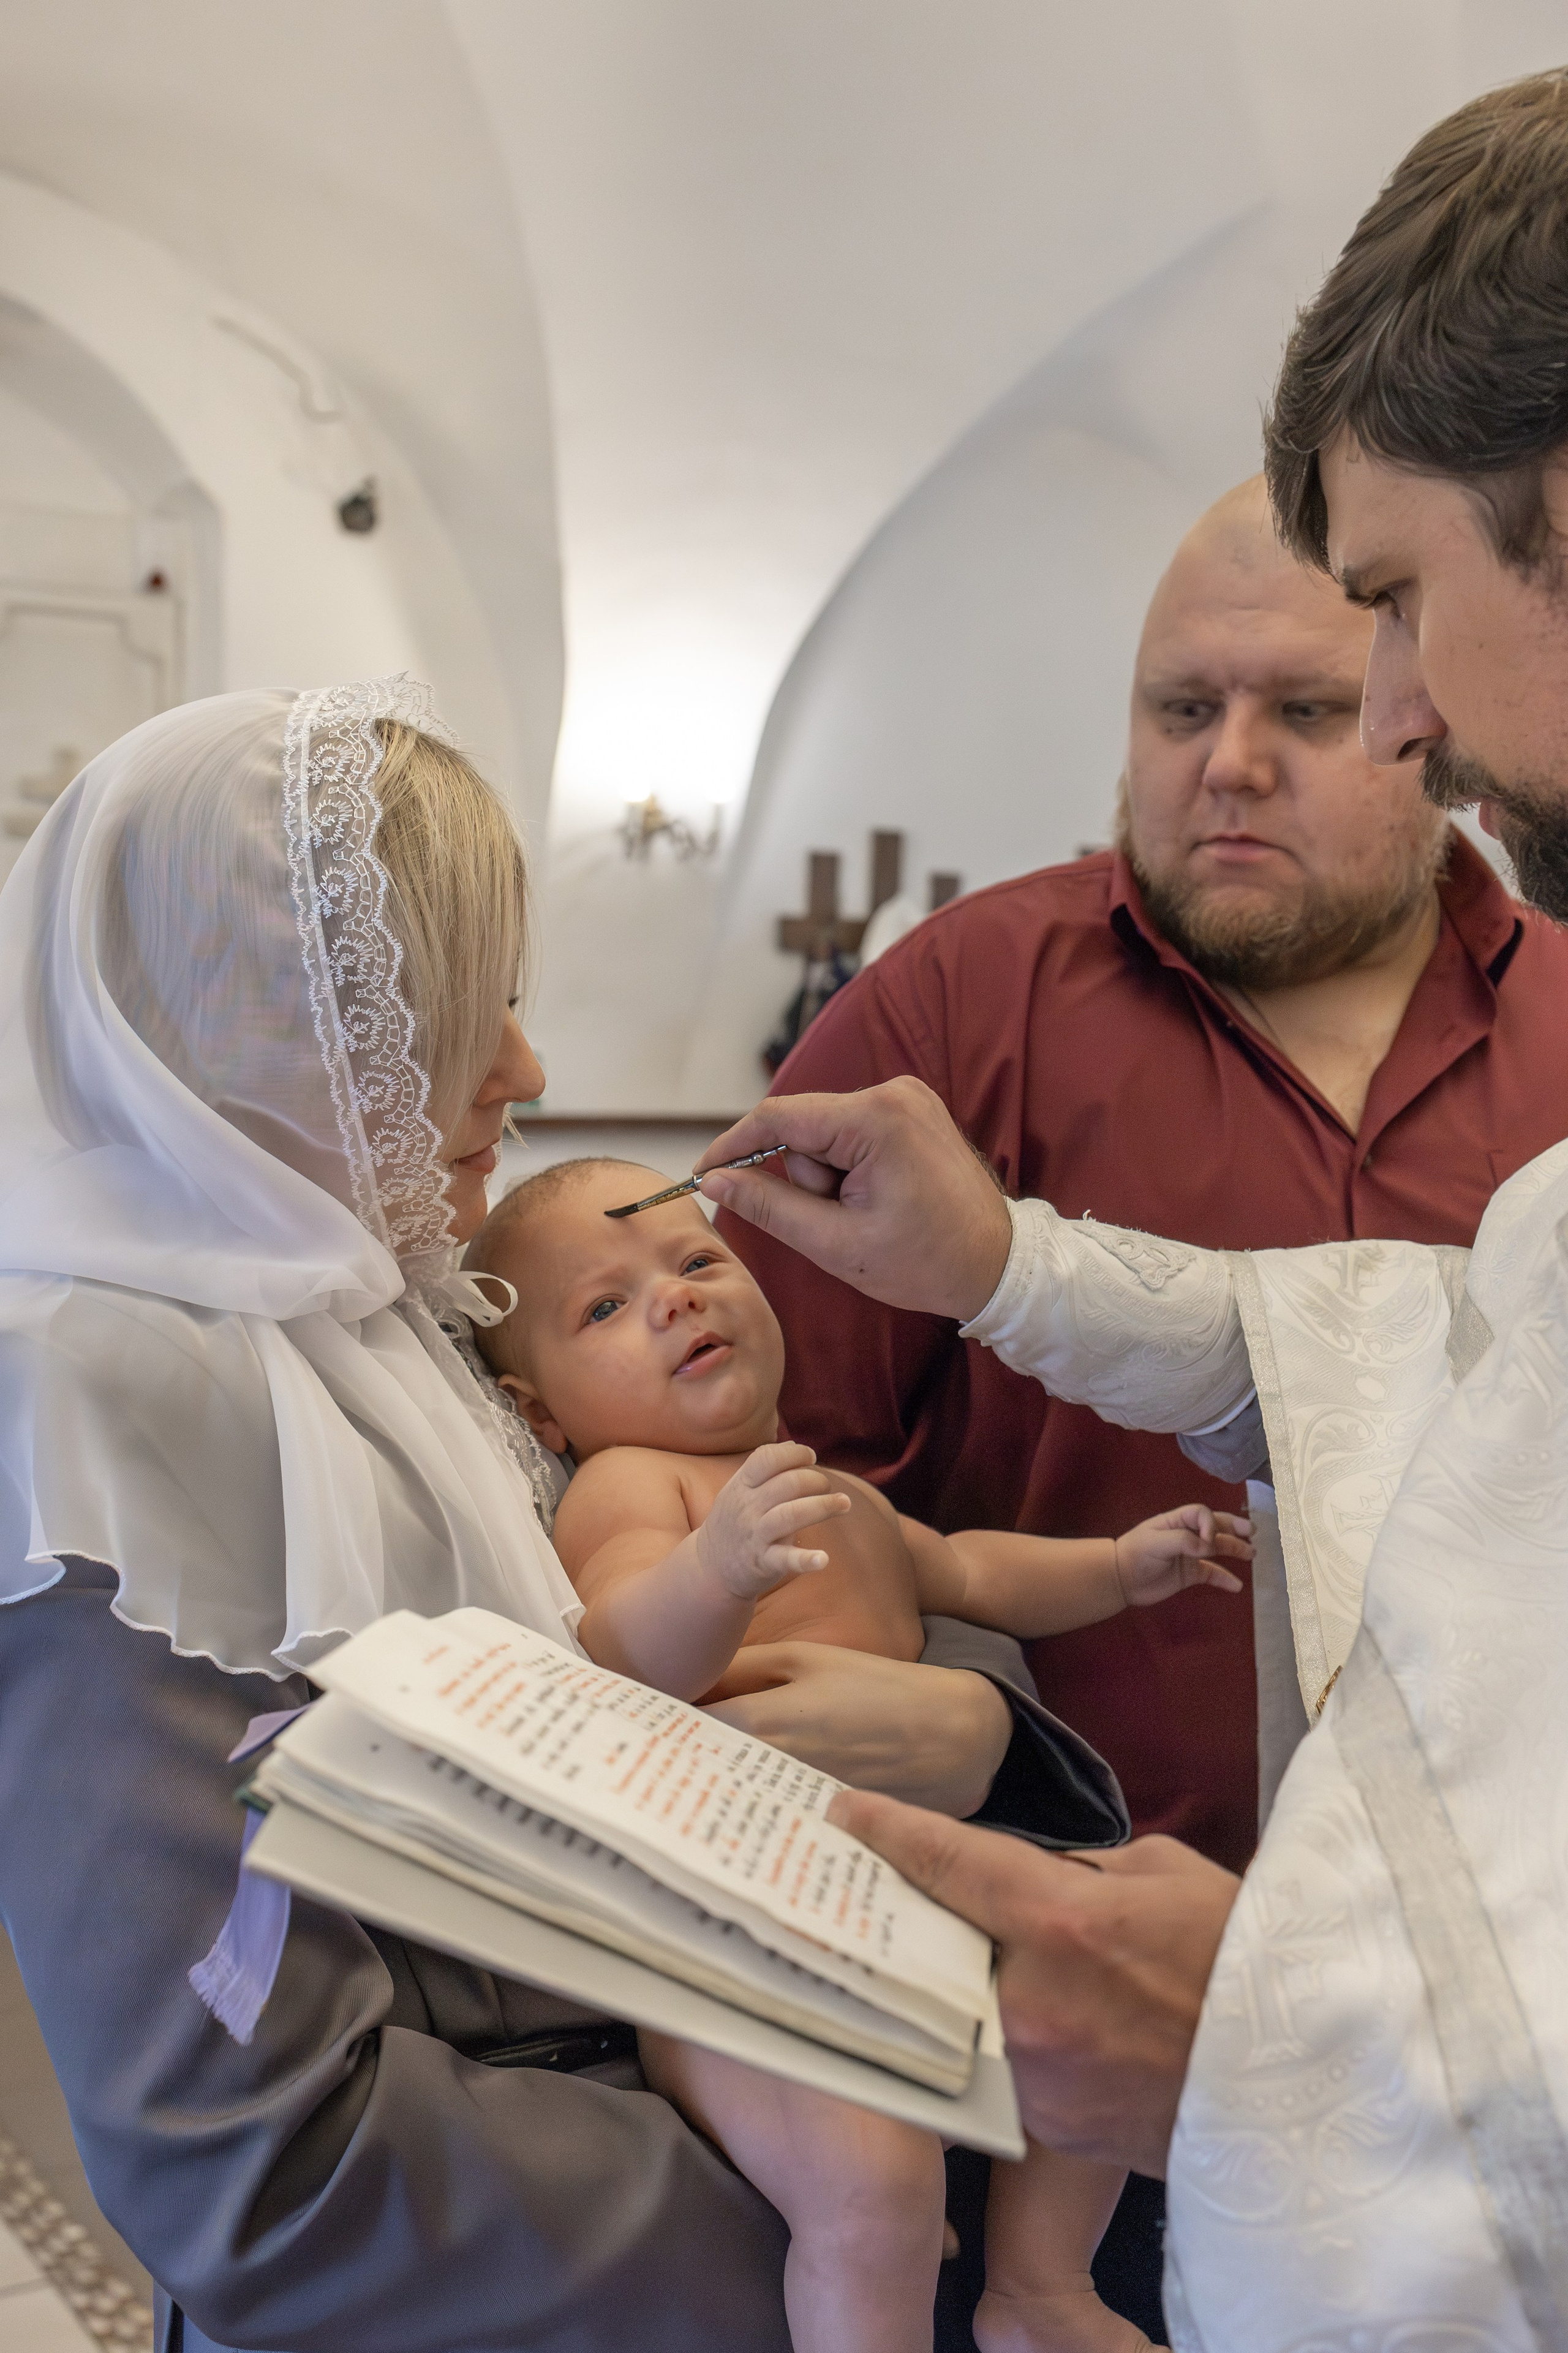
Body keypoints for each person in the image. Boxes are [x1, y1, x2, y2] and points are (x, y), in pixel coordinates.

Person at [695, 67, 1568, 2346]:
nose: (1371, 718)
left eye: (1380, 613)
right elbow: (1438, 1340)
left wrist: (1296, 2044)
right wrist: (993, 1272)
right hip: (1074, 2000)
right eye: (1186, 703)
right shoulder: (965, 997)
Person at [0, 681, 1101, 2353]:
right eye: (449, 1014)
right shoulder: (103, 1408)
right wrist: (857, 2215)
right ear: (265, 1020)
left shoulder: (400, 1313)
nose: (523, 1066)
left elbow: (778, 1539)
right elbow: (273, 2168)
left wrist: (961, 1709)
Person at [722, 472, 1568, 1884]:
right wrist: (979, 1717)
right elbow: (751, 1470)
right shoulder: (946, 1015)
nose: (1227, 762)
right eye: (1180, 709)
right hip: (1038, 1921)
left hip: (1504, 1939)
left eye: (1301, 710)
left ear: (1418, 711)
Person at [464, 1155, 1248, 2353]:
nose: (673, 1297)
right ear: (539, 1413)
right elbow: (621, 1654)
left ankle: (1038, 2287)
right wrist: (714, 1573)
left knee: (1098, 1989)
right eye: (606, 1305)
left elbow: (977, 1572)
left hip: (922, 1876)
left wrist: (1116, 1566)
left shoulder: (843, 1494)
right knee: (871, 2184)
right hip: (741, 1916)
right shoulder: (634, 1488)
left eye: (696, 1260)